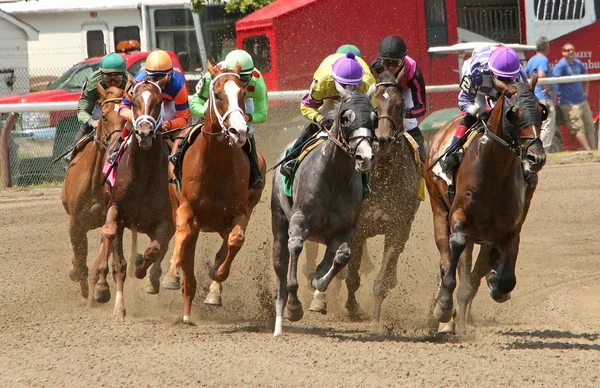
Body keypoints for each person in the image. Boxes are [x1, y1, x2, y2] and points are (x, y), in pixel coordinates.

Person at [280, 51, 376, 176]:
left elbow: (372, 111)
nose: (349, 90)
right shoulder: (323, 82)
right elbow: (305, 106)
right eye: (344, 85)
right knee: (318, 124)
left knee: (365, 124)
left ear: (360, 81)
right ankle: (291, 159)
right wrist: (320, 119)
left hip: (358, 99)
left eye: (353, 86)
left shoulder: (367, 82)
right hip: (332, 96)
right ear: (335, 80)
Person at [440, 44, 529, 173]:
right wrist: (477, 112)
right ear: (493, 72)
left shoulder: (519, 73)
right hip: (481, 88)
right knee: (478, 110)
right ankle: (451, 152)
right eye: (502, 78)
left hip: (493, 76)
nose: (506, 82)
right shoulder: (475, 73)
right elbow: (463, 102)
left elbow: (527, 102)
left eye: (509, 79)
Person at [188, 49, 267, 189]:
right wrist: (208, 113)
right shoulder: (211, 77)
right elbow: (194, 104)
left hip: (241, 102)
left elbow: (262, 114)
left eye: (245, 79)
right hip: (217, 105)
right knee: (192, 131)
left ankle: (254, 172)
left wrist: (247, 116)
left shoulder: (257, 82)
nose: (241, 82)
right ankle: (178, 156)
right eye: (238, 78)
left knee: (246, 131)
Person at [109, 50, 190, 162]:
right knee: (130, 122)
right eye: (154, 78)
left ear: (169, 76)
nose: (158, 82)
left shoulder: (178, 85)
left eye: (162, 78)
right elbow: (123, 108)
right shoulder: (138, 82)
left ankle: (180, 160)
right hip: (148, 102)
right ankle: (117, 151)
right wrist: (136, 119)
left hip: (169, 103)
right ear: (147, 75)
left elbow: (184, 118)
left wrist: (169, 124)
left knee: (175, 124)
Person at [370, 35, 427, 163]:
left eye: (395, 63)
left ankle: (423, 161)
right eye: (386, 62)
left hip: (404, 91)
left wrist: (402, 112)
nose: (389, 68)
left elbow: (421, 108)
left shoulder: (414, 73)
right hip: (381, 91)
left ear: (403, 60)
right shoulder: (376, 67)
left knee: (409, 123)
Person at [65, 52, 131, 163]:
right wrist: (92, 122)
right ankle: (72, 151)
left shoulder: (130, 83)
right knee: (86, 125)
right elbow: (83, 110)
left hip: (122, 108)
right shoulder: (92, 83)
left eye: (117, 78)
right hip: (99, 107)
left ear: (123, 75)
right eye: (108, 78)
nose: (113, 82)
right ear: (101, 75)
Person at [553, 42, 596, 151]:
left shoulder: (578, 63)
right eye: (568, 50)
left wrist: (586, 91)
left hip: (582, 101)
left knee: (590, 126)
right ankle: (588, 151)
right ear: (563, 53)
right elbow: (554, 82)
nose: (571, 52)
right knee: (577, 128)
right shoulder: (561, 65)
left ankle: (594, 150)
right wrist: (554, 96)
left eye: (572, 50)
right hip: (569, 103)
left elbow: (586, 76)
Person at [525, 36, 557, 153]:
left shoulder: (531, 60)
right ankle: (543, 149)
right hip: (544, 98)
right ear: (546, 47)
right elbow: (541, 74)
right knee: (548, 123)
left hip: (535, 97)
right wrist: (548, 89)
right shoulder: (543, 59)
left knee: (538, 124)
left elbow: (528, 76)